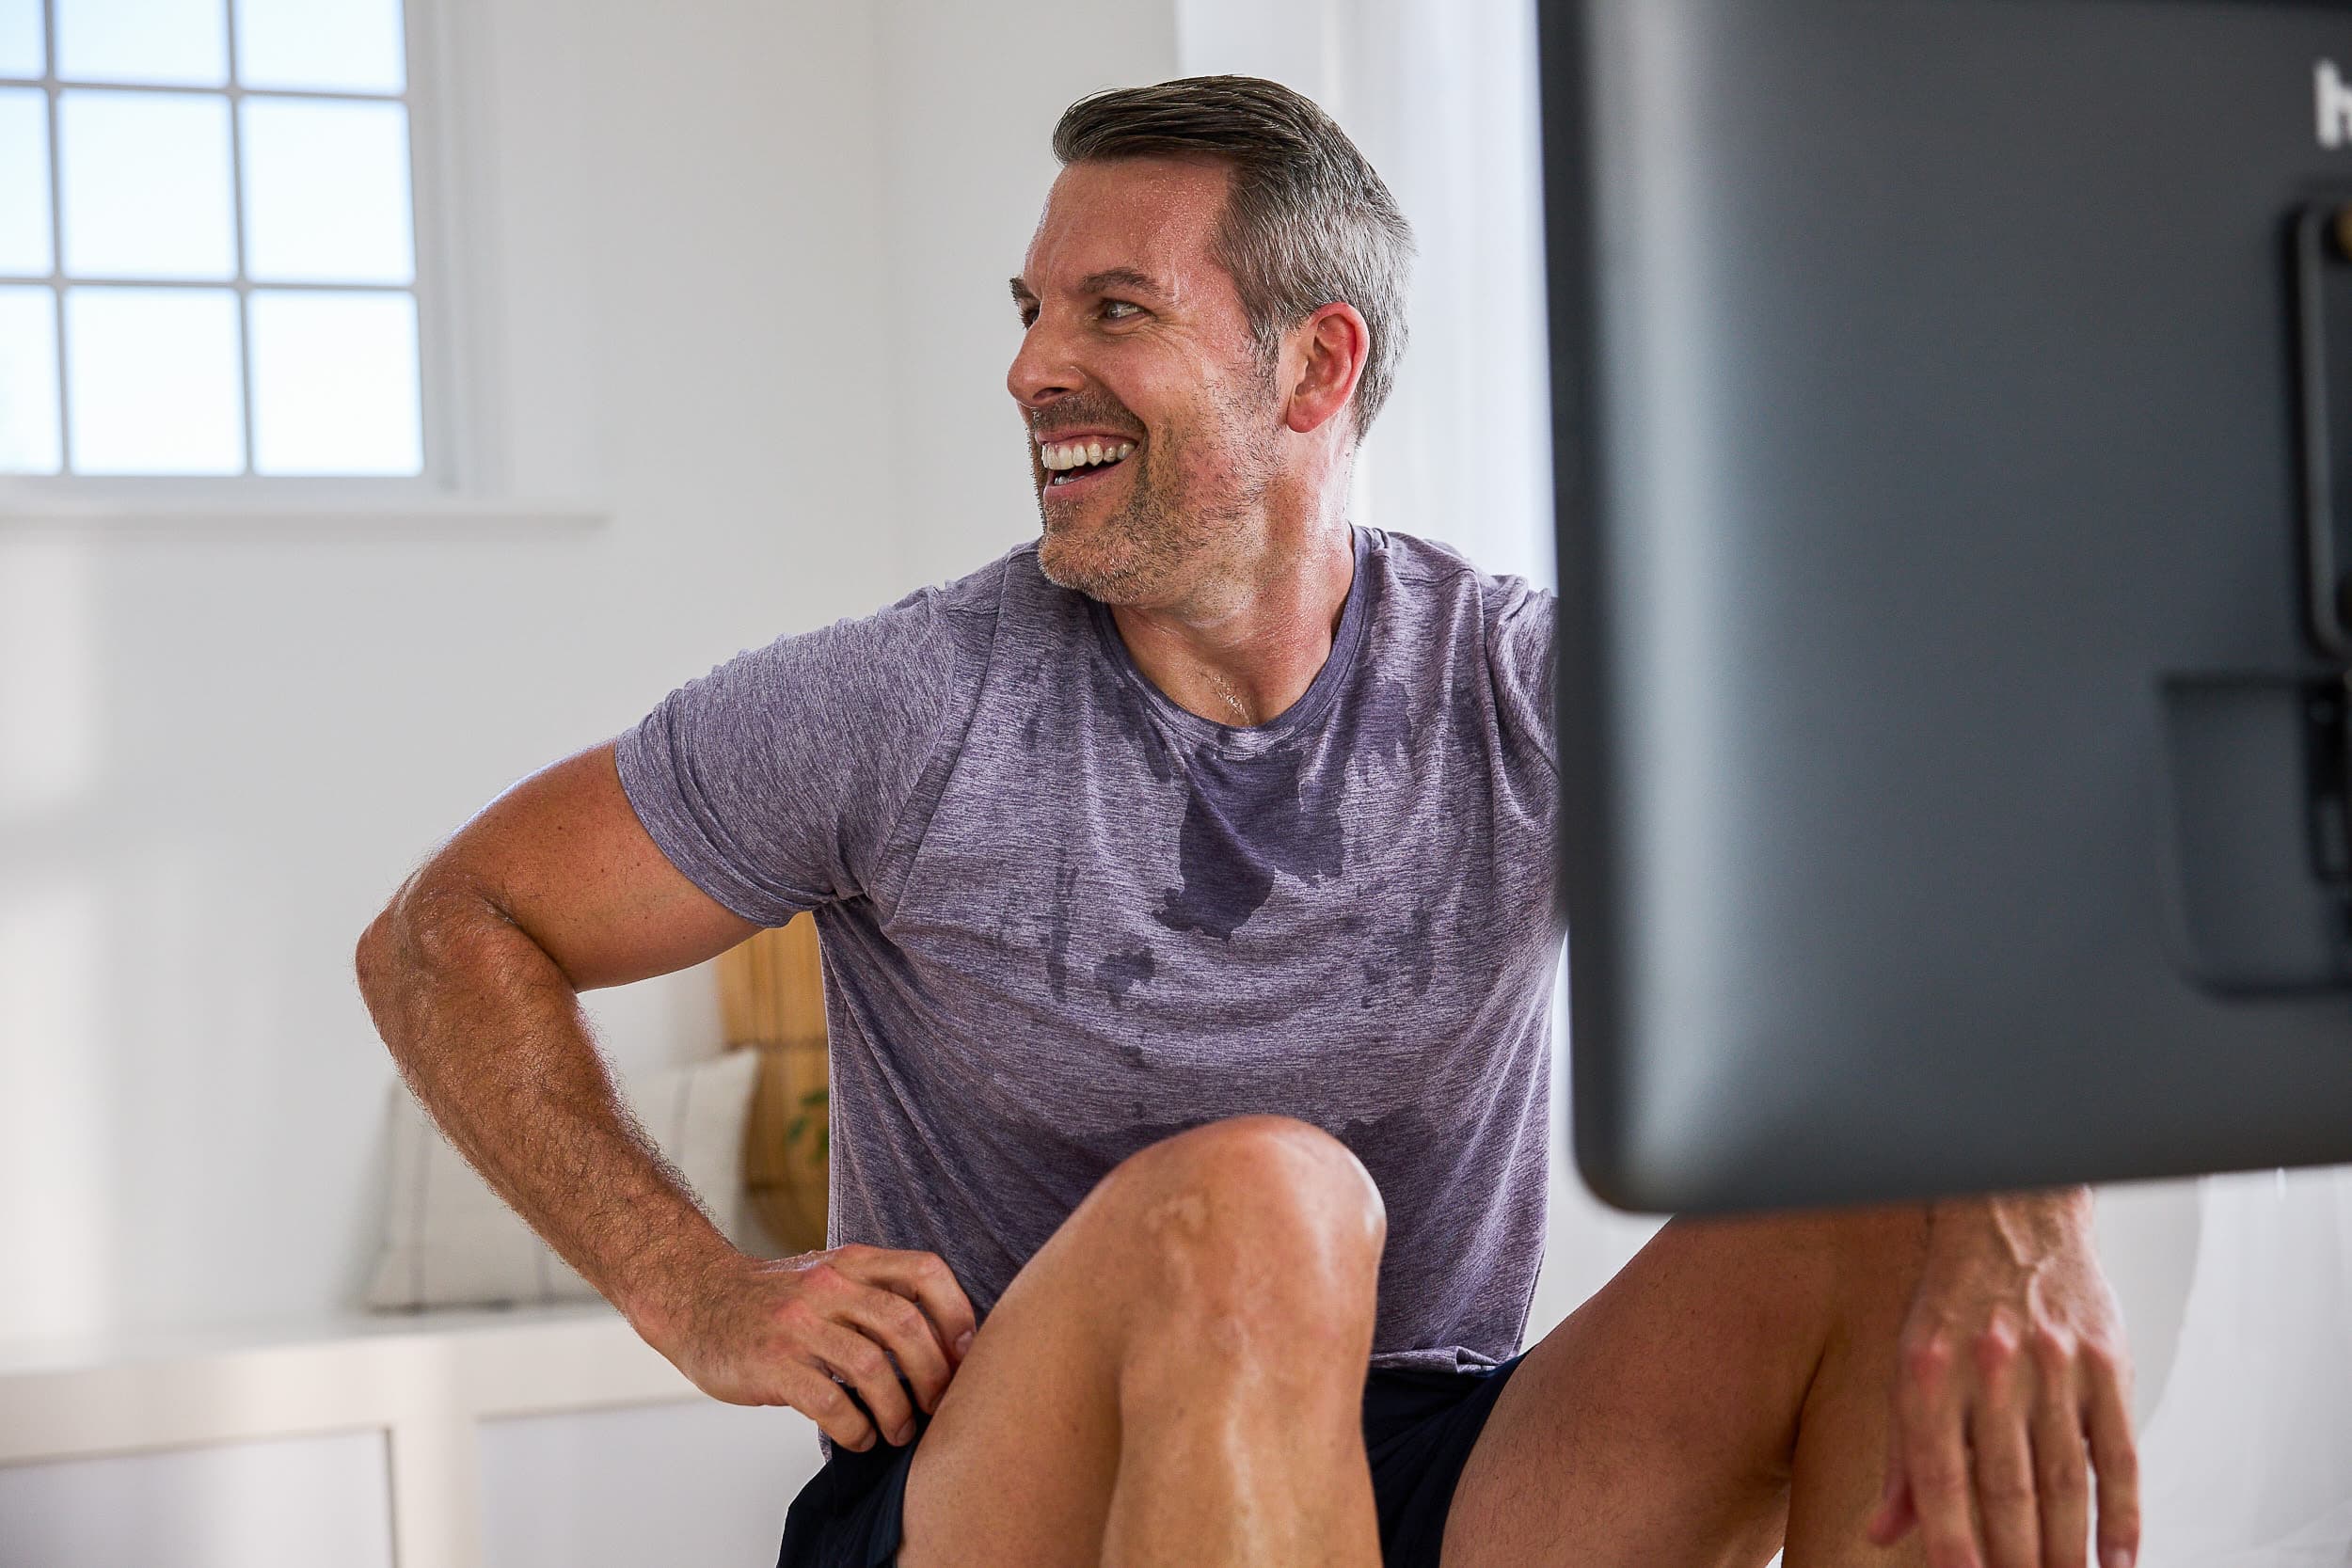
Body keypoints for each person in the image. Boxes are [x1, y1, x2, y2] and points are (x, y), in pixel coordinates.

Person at [355, 75, 2138, 1568]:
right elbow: (450, 931)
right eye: (1031, 310)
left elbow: (1948, 853)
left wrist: (2025, 1236)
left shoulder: (1519, 681)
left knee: (1906, 1219)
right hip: (993, 1481)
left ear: (1314, 367)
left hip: (1425, 1449)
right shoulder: (897, 705)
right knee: (1265, 1195)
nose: (1033, 366)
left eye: (1112, 309)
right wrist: (703, 1296)